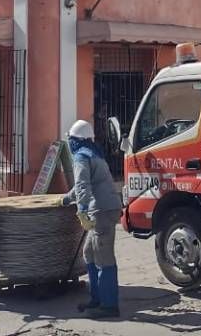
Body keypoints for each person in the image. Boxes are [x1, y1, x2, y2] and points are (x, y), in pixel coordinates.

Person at [58, 119, 123, 319]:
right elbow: (82, 185)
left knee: (103, 257)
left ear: (75, 140)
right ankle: (97, 298)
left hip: (100, 211)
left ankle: (109, 305)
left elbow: (83, 186)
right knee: (89, 253)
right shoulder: (95, 154)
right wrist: (66, 199)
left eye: (71, 139)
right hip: (107, 208)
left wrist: (82, 209)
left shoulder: (80, 156)